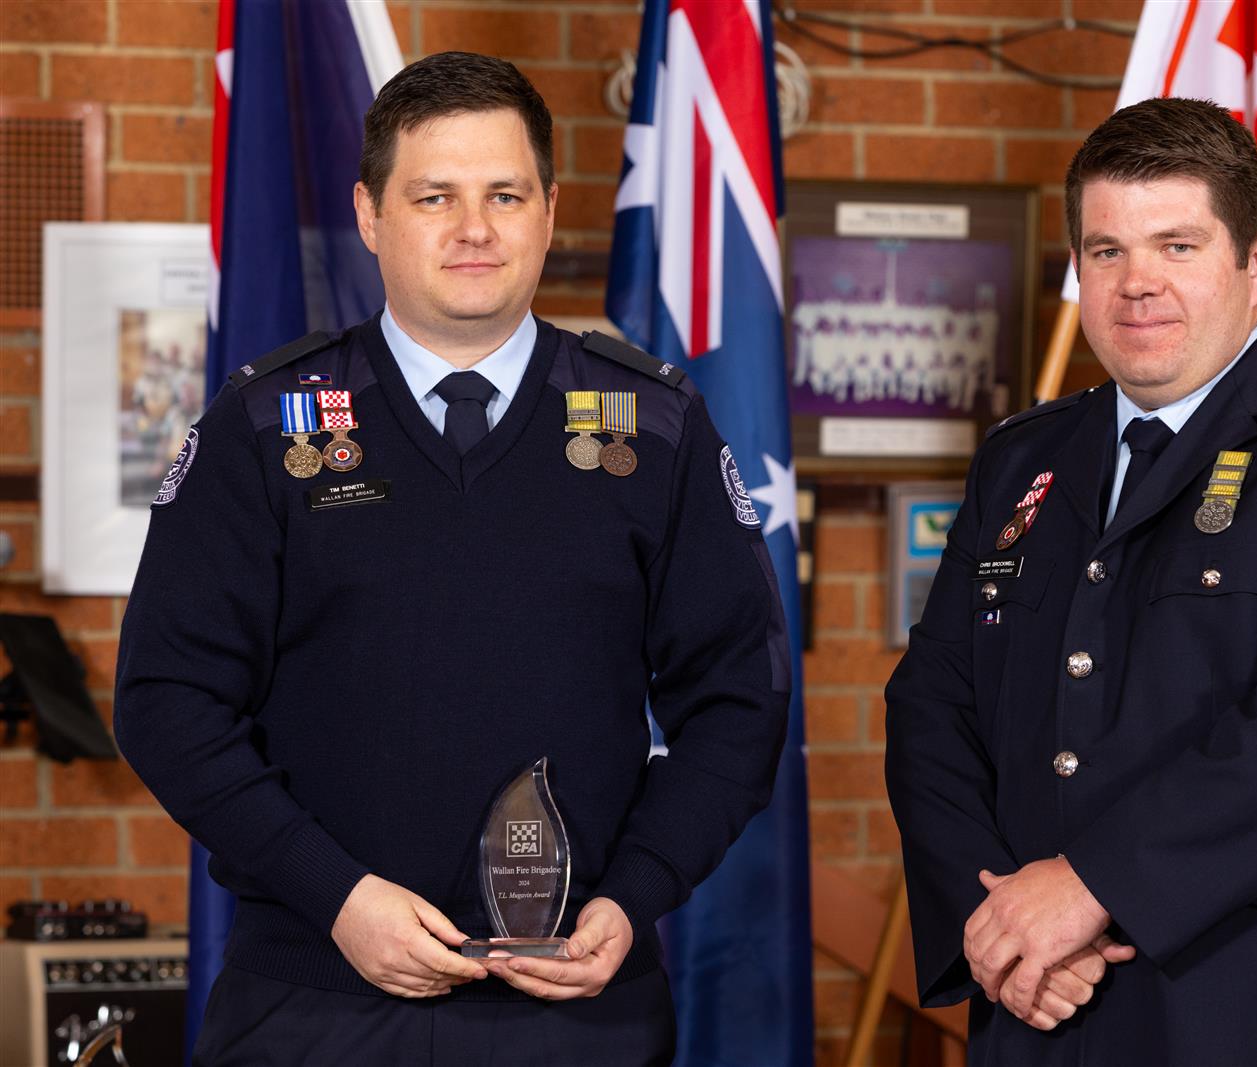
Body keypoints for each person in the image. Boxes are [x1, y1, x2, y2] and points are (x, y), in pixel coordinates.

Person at [115, 51, 789, 1065]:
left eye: (504, 194)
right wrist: (335, 895)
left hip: (577, 1008)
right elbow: (167, 700)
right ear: (370, 214)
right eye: (435, 195)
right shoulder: (267, 426)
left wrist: (635, 889)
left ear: (549, 212)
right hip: (313, 1001)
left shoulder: (653, 428)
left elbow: (741, 695)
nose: (474, 228)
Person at [884, 97, 1257, 1065]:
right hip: (1047, 1001)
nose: (1135, 285)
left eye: (1176, 245)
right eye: (1106, 250)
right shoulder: (1022, 457)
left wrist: (1091, 882)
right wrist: (989, 916)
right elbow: (932, 698)